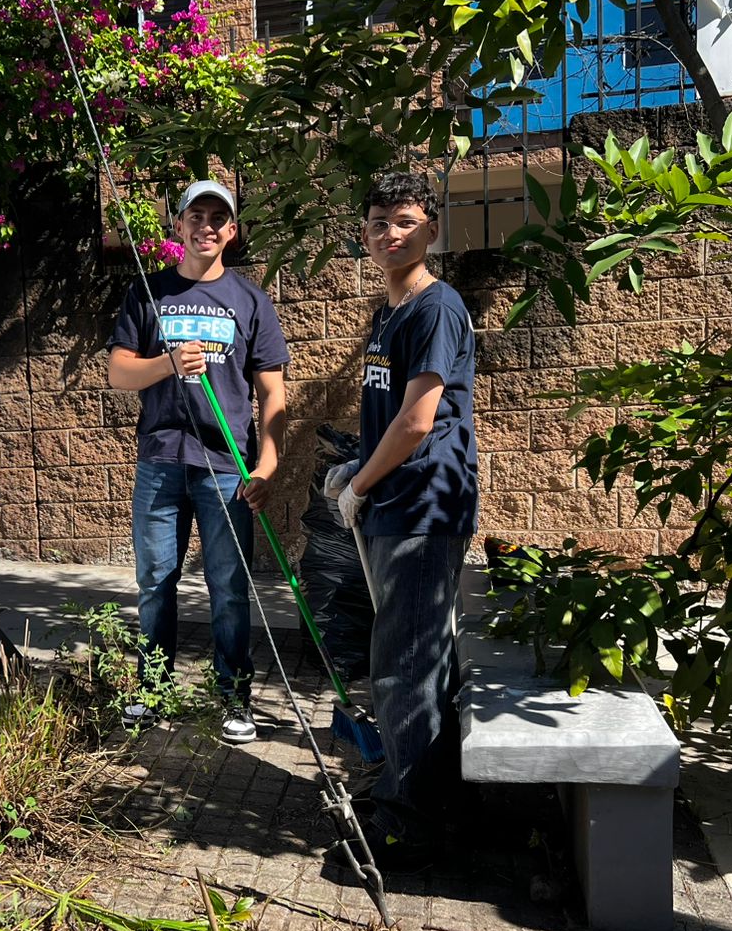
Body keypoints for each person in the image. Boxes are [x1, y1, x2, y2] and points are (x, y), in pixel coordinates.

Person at [324, 171, 478, 865]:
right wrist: (358, 466)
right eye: (379, 222)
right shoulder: (390, 314)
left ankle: (408, 826)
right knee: (417, 660)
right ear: (365, 234)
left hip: (422, 505)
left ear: (431, 231)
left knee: (404, 665)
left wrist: (359, 483)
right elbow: (391, 415)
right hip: (396, 501)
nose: (391, 233)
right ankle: (422, 796)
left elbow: (419, 421)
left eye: (406, 221)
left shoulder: (436, 308)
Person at [107, 179, 289, 744]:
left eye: (217, 218)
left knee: (228, 586)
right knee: (155, 581)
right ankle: (153, 689)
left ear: (231, 231)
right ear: (179, 226)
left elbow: (274, 396)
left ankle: (233, 697)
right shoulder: (148, 292)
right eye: (196, 216)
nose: (206, 226)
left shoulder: (251, 301)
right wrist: (168, 362)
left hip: (227, 465)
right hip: (160, 459)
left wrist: (266, 466)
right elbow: (118, 373)